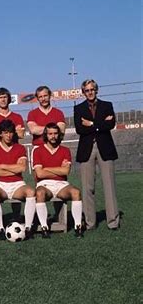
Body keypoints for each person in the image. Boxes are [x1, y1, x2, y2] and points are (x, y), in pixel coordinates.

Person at [74, 79, 119, 230]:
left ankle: (113, 221)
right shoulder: (78, 108)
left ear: (96, 90)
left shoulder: (107, 105)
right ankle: (90, 222)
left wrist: (92, 124)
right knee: (87, 188)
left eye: (92, 89)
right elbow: (80, 129)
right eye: (87, 90)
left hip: (105, 148)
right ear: (83, 92)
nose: (90, 92)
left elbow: (111, 125)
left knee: (109, 186)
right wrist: (101, 124)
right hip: (87, 149)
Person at [0, 119, 36, 240]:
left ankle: (28, 228)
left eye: (10, 132)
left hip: (17, 184)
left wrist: (2, 166)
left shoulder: (20, 148)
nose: (8, 135)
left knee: (30, 192)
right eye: (5, 132)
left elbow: (22, 168)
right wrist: (13, 168)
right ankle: (0, 229)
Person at [33, 124, 84, 238]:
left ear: (59, 134)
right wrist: (58, 169)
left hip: (61, 185)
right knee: (40, 193)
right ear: (46, 134)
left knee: (76, 192)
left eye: (55, 133)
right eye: (50, 134)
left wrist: (46, 168)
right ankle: (44, 228)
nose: (53, 136)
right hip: (44, 184)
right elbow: (39, 173)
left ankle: (78, 226)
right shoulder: (37, 151)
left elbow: (66, 172)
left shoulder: (65, 150)